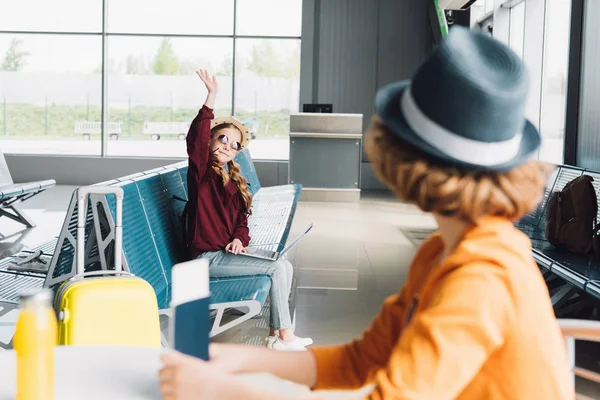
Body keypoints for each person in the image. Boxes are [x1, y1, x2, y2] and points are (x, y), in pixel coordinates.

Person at [159, 29, 573, 400]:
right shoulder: (445, 252)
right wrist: (238, 362)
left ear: (405, 158)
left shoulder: (480, 278)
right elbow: (362, 360)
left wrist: (226, 392)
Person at [185, 69, 311, 351]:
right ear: (210, 141)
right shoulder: (202, 174)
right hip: (205, 258)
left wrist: (239, 240)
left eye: (234, 145)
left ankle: (274, 335)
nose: (228, 146)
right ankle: (285, 337)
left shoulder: (232, 182)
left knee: (284, 265)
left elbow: (242, 221)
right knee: (277, 268)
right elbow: (195, 142)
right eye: (222, 139)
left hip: (223, 254)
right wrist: (210, 98)